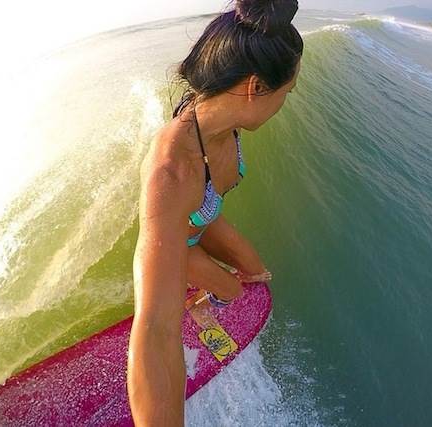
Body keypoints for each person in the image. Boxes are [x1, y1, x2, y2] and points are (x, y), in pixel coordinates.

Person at [127, 0, 303, 425]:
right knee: (233, 295)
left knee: (257, 276)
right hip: (181, 240)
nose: (286, 101)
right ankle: (199, 300)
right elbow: (154, 332)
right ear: (255, 87)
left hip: (204, 220)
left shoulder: (222, 116)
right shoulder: (172, 172)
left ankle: (208, 291)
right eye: (287, 92)